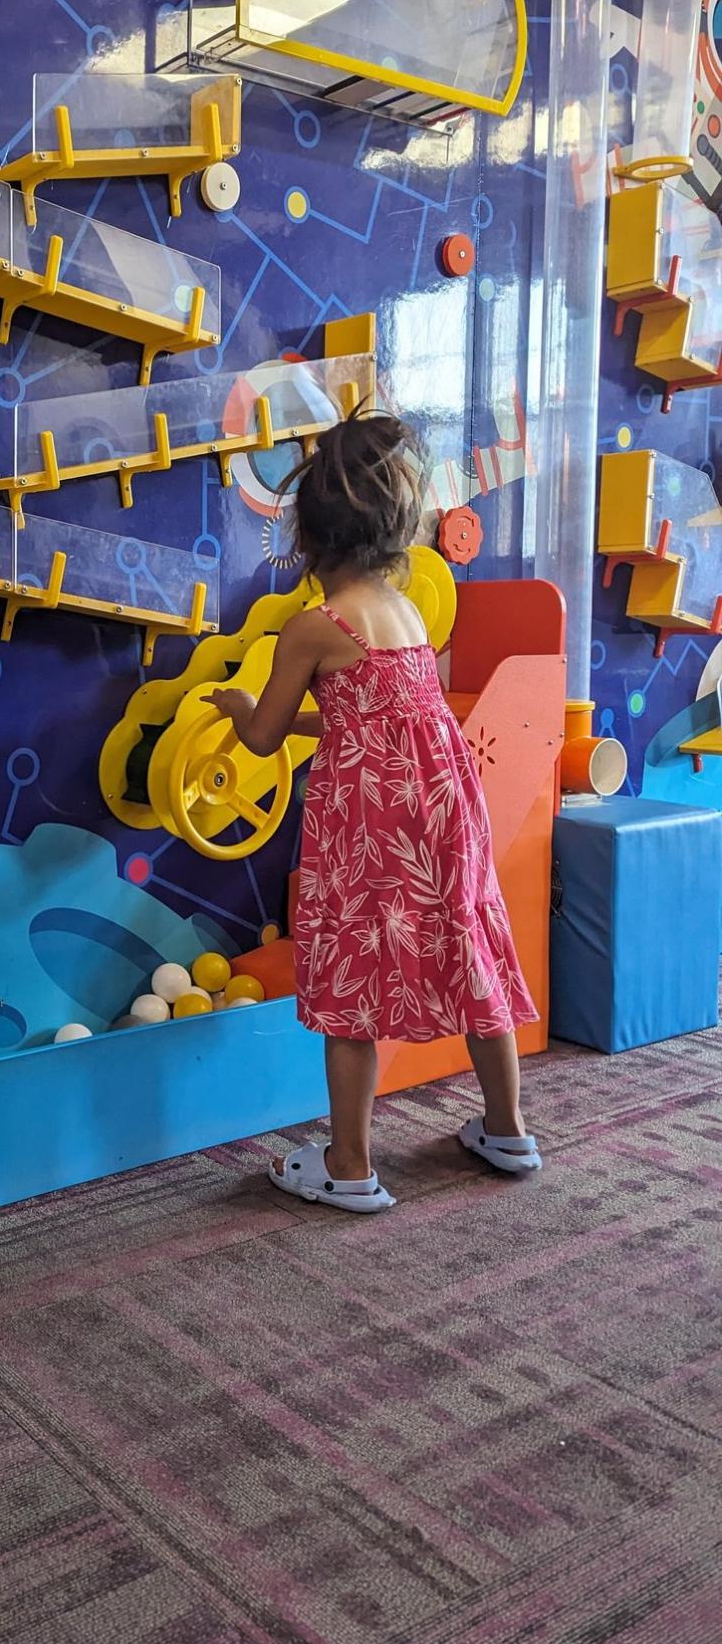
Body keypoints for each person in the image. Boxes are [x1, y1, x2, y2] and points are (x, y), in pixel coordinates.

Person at [208, 412, 541, 1214]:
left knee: (356, 969)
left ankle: (350, 1165)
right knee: (470, 945)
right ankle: (507, 1128)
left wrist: (242, 703)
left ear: (308, 537)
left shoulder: (313, 628)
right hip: (445, 812)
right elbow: (378, 717)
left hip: (370, 824)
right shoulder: (404, 611)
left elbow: (258, 742)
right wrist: (294, 718)